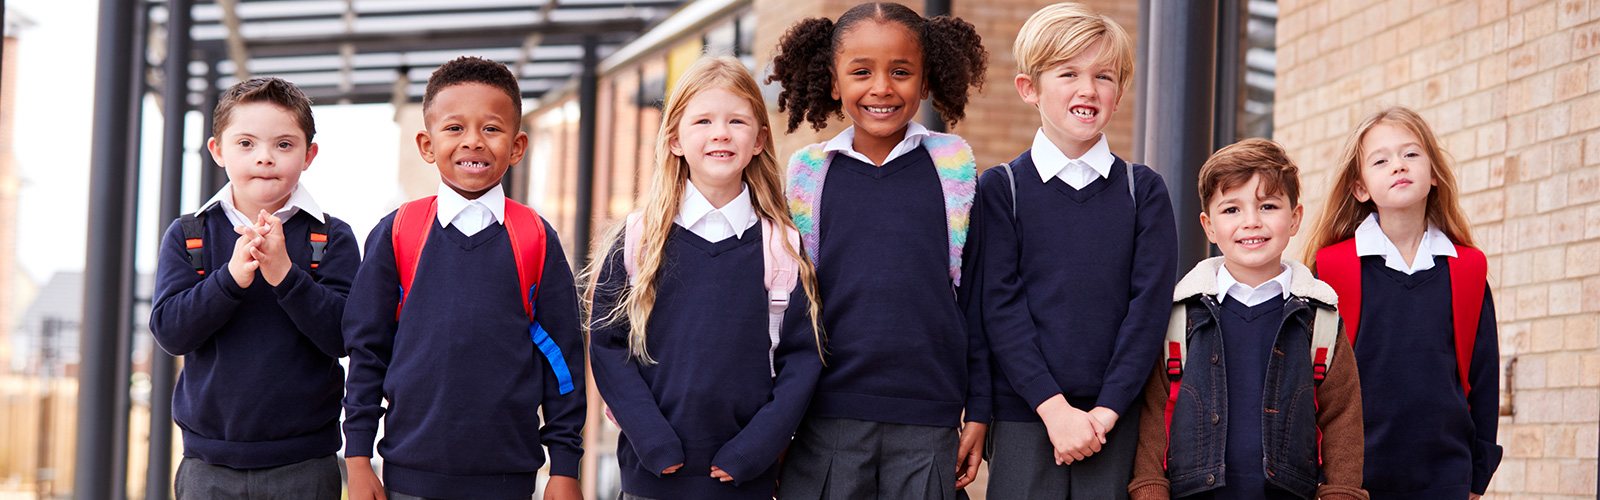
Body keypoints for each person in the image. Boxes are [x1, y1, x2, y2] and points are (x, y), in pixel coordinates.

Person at [765, 3, 991, 497]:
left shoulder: (954, 172)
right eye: (861, 72)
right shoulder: (808, 176)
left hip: (929, 420)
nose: (882, 88)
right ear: (832, 81)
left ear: (926, 80)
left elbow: (975, 298)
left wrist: (979, 408)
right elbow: (785, 306)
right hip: (824, 418)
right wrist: (775, 419)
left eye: (901, 72)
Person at [341, 56, 585, 500]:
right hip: (407, 478)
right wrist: (357, 458)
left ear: (517, 146)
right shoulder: (397, 233)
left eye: (491, 129)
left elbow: (563, 360)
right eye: (454, 128)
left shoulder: (535, 237)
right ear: (427, 144)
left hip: (509, 481)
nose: (473, 141)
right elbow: (367, 353)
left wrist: (565, 468)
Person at [586, 55, 825, 500]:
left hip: (744, 480)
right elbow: (608, 347)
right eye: (703, 121)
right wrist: (652, 441)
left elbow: (802, 361)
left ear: (759, 140)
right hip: (650, 480)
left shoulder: (783, 246)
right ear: (674, 139)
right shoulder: (638, 239)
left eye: (737, 120)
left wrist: (753, 452)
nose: (720, 133)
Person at [975, 4, 1178, 498]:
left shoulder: (1143, 192)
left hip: (1116, 418)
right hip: (1026, 415)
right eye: (1068, 73)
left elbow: (1148, 311)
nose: (1088, 89)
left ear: (1119, 92)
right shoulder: (1002, 189)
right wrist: (1054, 410)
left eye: (1103, 76)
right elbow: (999, 307)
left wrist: (1105, 412)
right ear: (1030, 89)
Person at [149, 76, 356, 499]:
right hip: (207, 465)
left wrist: (285, 275)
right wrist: (229, 280)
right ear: (217, 151)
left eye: (283, 144)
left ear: (308, 154)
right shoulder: (189, 235)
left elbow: (344, 335)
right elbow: (171, 332)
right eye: (246, 144)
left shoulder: (331, 237)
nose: (265, 158)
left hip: (305, 464)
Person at [1129, 138, 1366, 500]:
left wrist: (1342, 493)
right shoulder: (1180, 315)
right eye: (1231, 210)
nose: (1251, 222)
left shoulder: (1319, 319)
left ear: (1295, 218)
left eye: (1268, 206)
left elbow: (1342, 418)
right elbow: (1154, 415)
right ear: (1209, 226)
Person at [1304, 106, 1500, 500]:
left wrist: (1476, 480)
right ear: (1360, 187)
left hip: (1446, 478)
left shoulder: (1468, 269)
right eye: (1381, 160)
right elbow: (1308, 377)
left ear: (1434, 175)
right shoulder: (1330, 267)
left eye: (1411, 154)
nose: (1398, 166)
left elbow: (1485, 379)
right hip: (1351, 480)